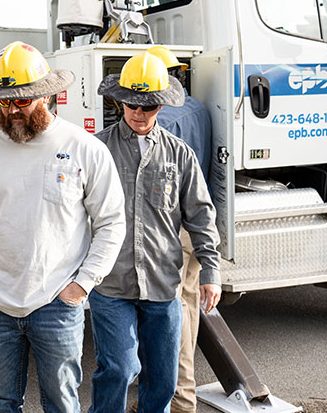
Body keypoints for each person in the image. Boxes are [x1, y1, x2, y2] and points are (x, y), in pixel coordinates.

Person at [0, 41, 126, 413]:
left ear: (47, 96)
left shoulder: (84, 148)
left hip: (58, 301)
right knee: (0, 404)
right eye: (5, 101)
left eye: (21, 101)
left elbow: (110, 222)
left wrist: (81, 285)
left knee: (61, 403)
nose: (11, 110)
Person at [89, 51, 222, 413]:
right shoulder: (97, 151)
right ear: (120, 101)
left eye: (148, 106)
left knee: (163, 380)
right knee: (119, 368)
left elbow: (201, 215)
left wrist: (210, 271)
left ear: (161, 105)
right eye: (132, 104)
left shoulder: (180, 155)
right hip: (110, 283)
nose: (139, 113)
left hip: (163, 284)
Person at [150, 45, 213, 413]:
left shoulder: (166, 119)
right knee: (185, 307)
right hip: (193, 224)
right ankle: (170, 393)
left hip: (170, 228)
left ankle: (180, 399)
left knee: (175, 316)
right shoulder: (200, 110)